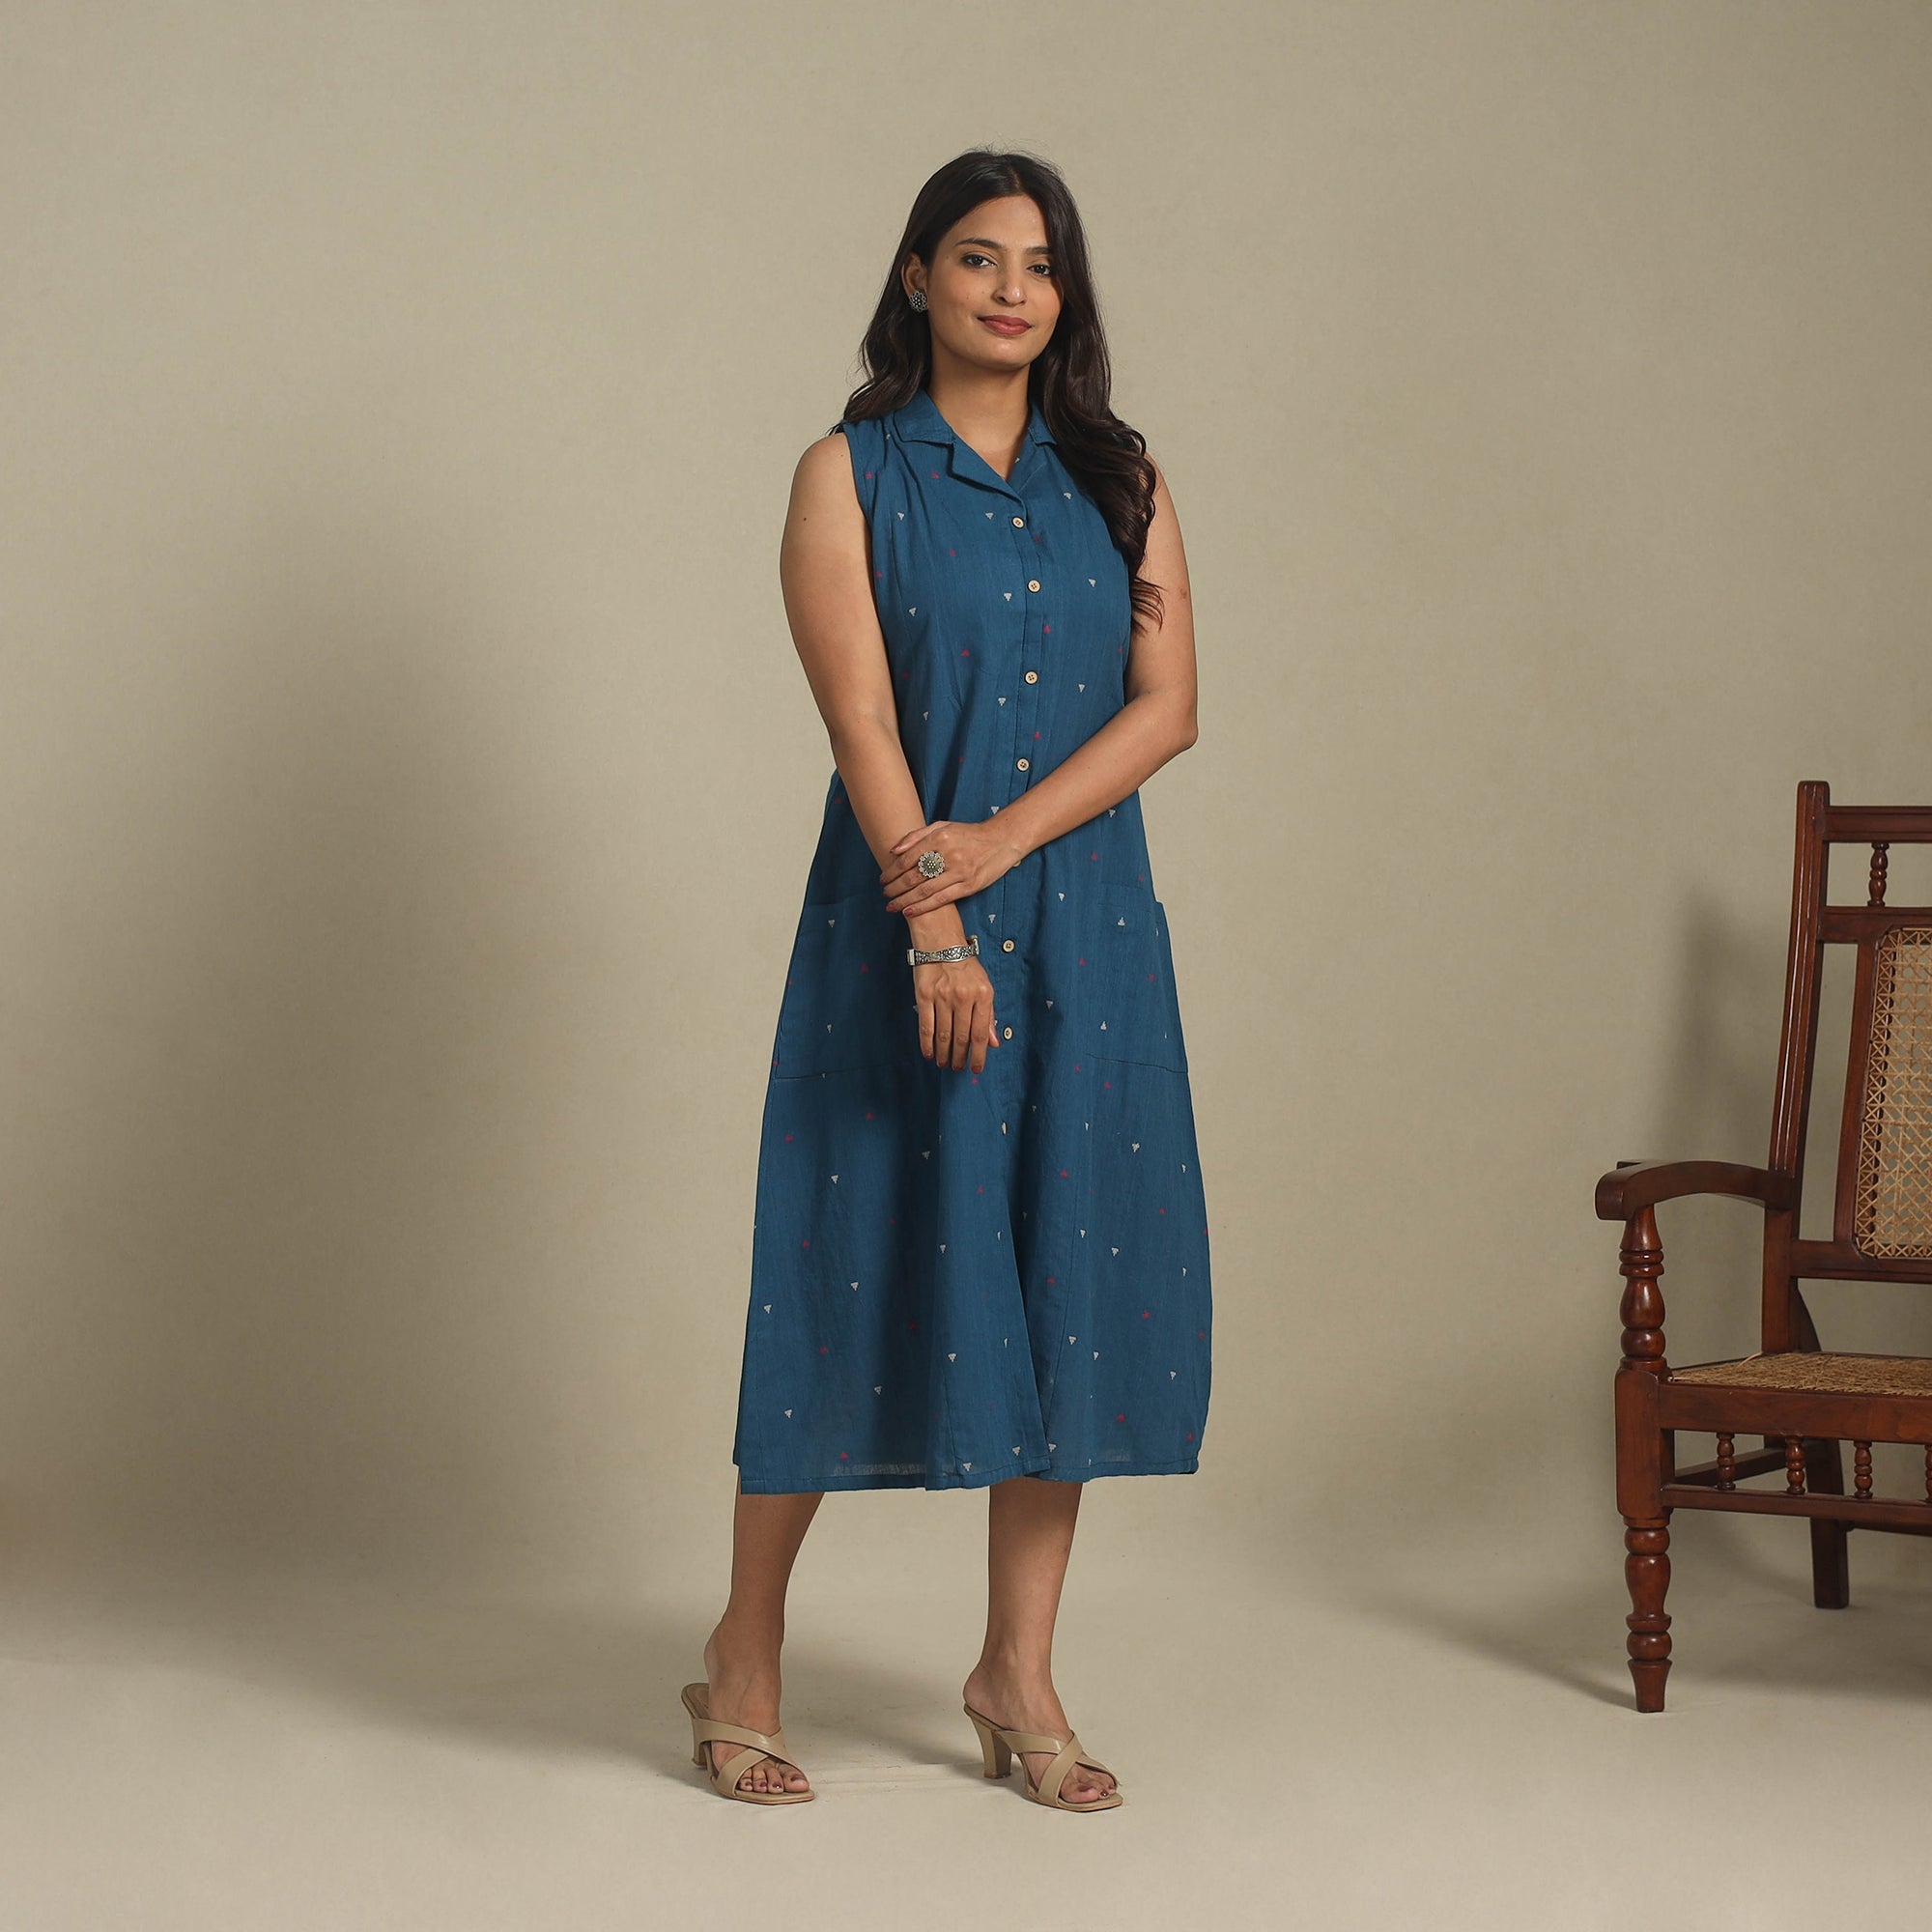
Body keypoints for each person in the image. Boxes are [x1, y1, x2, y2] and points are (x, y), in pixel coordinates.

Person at [681, 150, 1212, 1812]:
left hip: (1088, 934)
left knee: (1069, 1263)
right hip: (900, 921)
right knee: (840, 1262)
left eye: (1039, 265)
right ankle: (745, 1653)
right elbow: (859, 718)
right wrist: (935, 914)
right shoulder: (846, 474)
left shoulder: (1120, 477)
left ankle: (1016, 1672)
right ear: (916, 277)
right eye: (977, 257)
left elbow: (1169, 707)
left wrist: (1003, 845)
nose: (1010, 290)